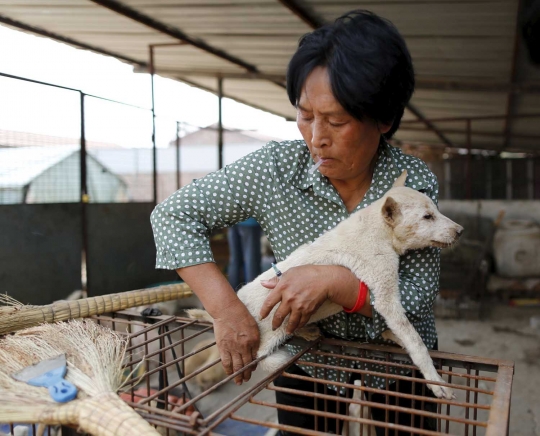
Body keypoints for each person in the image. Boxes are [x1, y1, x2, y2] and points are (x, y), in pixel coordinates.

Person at [151, 10, 440, 435]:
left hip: (397, 359)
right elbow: (173, 216)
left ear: (385, 119)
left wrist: (335, 282)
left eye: (337, 121)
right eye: (305, 115)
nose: (316, 137)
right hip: (308, 359)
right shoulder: (275, 169)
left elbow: (414, 297)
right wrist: (226, 310)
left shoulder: (413, 183)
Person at [226, 217, 262, 291]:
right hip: (249, 221)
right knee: (252, 260)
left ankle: (232, 293)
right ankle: (252, 292)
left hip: (232, 219)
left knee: (234, 259)